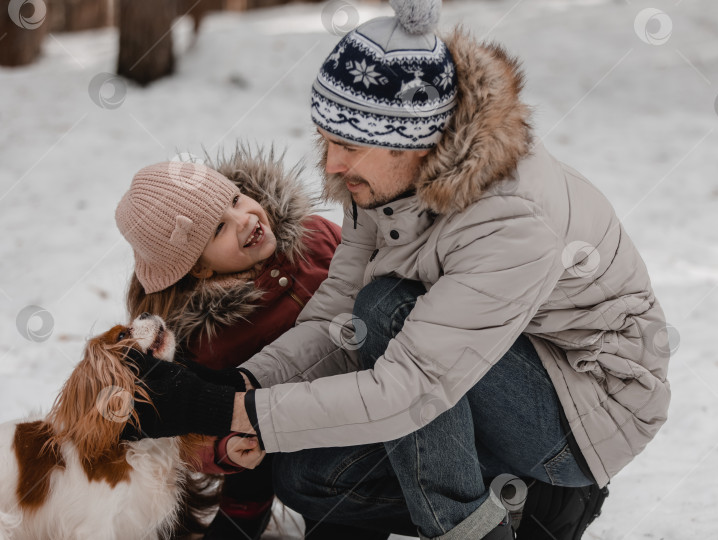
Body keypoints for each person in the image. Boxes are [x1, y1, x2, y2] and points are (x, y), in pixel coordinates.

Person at [126, 1, 672, 539]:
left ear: (412, 141)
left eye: (348, 145)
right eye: (326, 139)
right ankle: (524, 503)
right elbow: (338, 317)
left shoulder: (510, 221)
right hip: (483, 366)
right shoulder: (380, 182)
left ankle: (485, 524)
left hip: (585, 408)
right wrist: (236, 385)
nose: (332, 165)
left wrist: (228, 408)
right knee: (305, 476)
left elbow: (409, 387)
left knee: (388, 307)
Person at [116, 146, 375, 539]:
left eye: (236, 199)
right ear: (198, 266)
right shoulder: (208, 338)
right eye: (218, 228)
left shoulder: (316, 237)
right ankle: (243, 513)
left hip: (377, 385)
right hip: (302, 434)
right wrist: (224, 450)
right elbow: (197, 422)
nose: (244, 219)